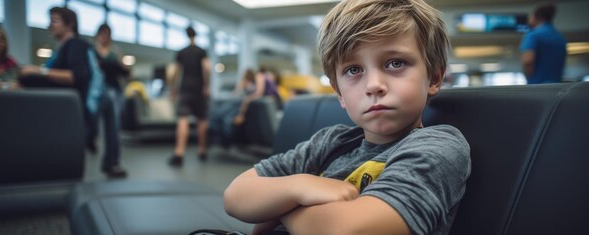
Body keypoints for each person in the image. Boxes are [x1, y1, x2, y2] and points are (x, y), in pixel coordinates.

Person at [223, 0, 471, 235]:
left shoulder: (438, 147)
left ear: (434, 78)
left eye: (396, 63)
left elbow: (347, 230)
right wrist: (298, 186)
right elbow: (235, 196)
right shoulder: (331, 143)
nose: (374, 85)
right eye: (354, 70)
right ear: (339, 93)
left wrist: (281, 208)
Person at [19, 7, 126, 177]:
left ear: (69, 24)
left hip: (94, 95)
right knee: (102, 125)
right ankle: (106, 157)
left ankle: (109, 160)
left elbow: (76, 76)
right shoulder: (63, 50)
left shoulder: (76, 45)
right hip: (86, 99)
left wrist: (37, 71)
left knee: (107, 123)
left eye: (55, 21)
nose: (50, 25)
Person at [168, 26, 211, 166]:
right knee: (202, 119)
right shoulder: (201, 51)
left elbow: (174, 72)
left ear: (186, 35)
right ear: (195, 35)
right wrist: (207, 85)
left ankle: (179, 153)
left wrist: (172, 88)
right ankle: (202, 150)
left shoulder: (182, 52)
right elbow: (207, 68)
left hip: (185, 88)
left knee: (183, 119)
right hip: (199, 88)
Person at [89, 23, 131, 153]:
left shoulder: (115, 51)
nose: (104, 37)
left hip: (113, 89)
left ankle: (112, 157)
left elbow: (126, 72)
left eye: (107, 34)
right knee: (92, 119)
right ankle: (92, 139)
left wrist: (122, 66)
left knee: (114, 124)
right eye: (102, 34)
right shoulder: (91, 51)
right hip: (95, 89)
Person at [519, 2, 567, 84]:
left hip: (538, 87)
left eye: (530, 15)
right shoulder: (560, 37)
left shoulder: (533, 35)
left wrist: (529, 78)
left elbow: (527, 61)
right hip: (556, 88)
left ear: (536, 17)